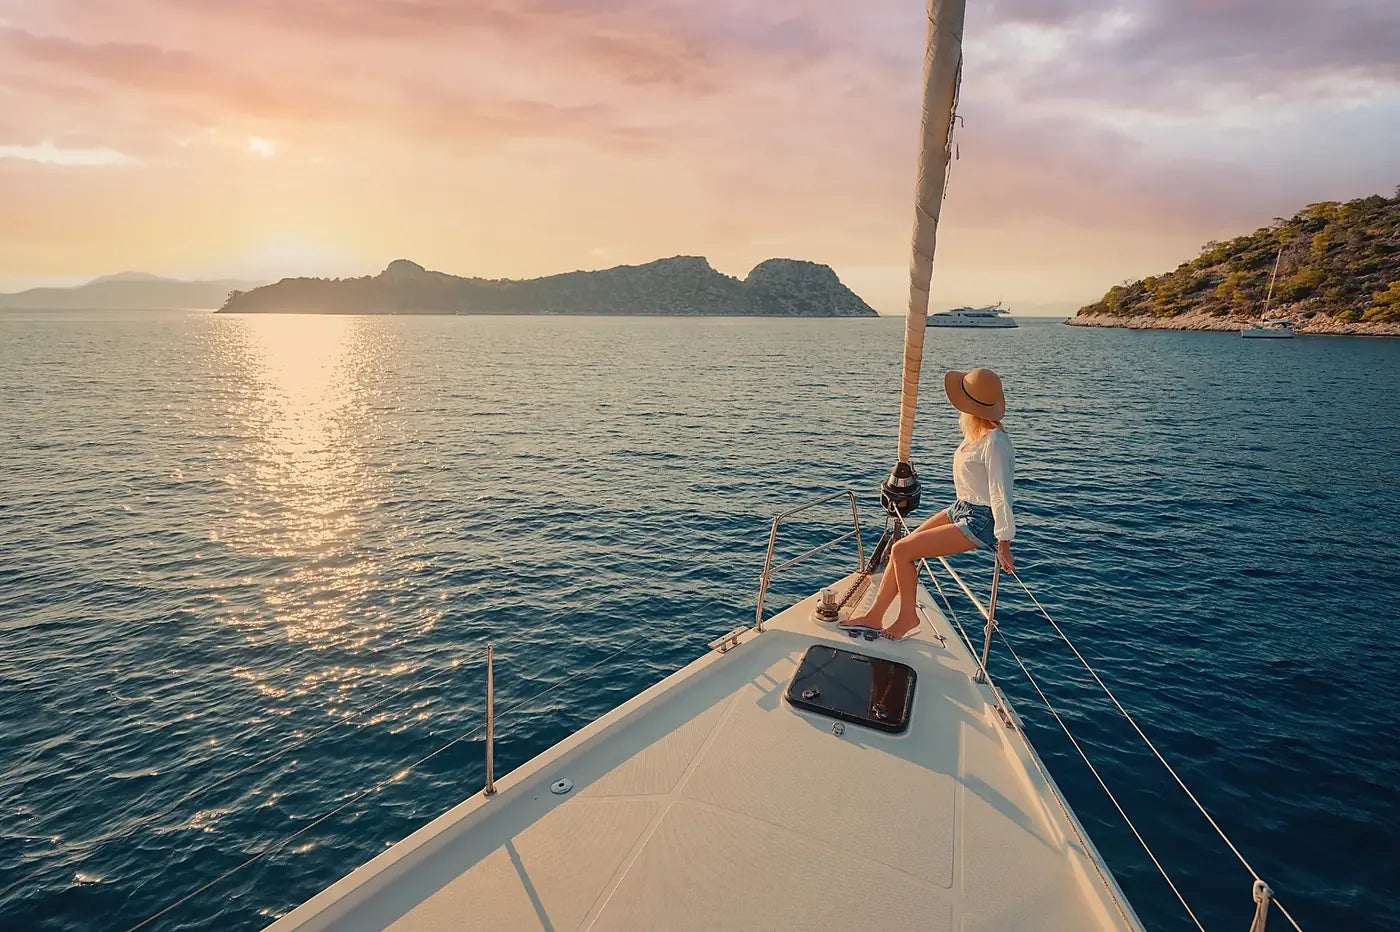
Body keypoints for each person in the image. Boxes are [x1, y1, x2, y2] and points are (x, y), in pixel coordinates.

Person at [841, 367, 1016, 641]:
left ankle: (907, 617)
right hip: (961, 508)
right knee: (899, 550)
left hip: (981, 520)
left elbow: (999, 492)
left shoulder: (995, 442)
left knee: (901, 551)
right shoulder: (978, 437)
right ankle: (875, 616)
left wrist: (1003, 541)